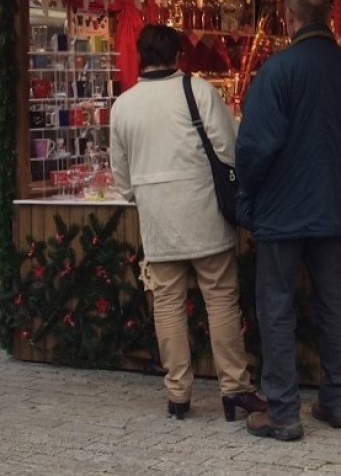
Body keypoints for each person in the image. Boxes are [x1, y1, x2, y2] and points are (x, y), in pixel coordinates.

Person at [235, 0, 341, 442]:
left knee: (276, 308)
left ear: (289, 19)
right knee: (333, 303)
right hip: (329, 207)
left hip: (280, 212)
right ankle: (337, 402)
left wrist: (246, 200)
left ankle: (283, 411)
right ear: (328, 18)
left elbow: (254, 149)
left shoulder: (276, 73)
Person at [109, 25, 264, 423]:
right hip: (204, 213)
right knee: (220, 299)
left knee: (168, 304)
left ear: (141, 56)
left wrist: (146, 195)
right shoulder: (198, 92)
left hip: (158, 220)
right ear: (179, 56)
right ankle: (234, 388)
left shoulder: (123, 106)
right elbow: (230, 150)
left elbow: (122, 179)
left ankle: (178, 394)